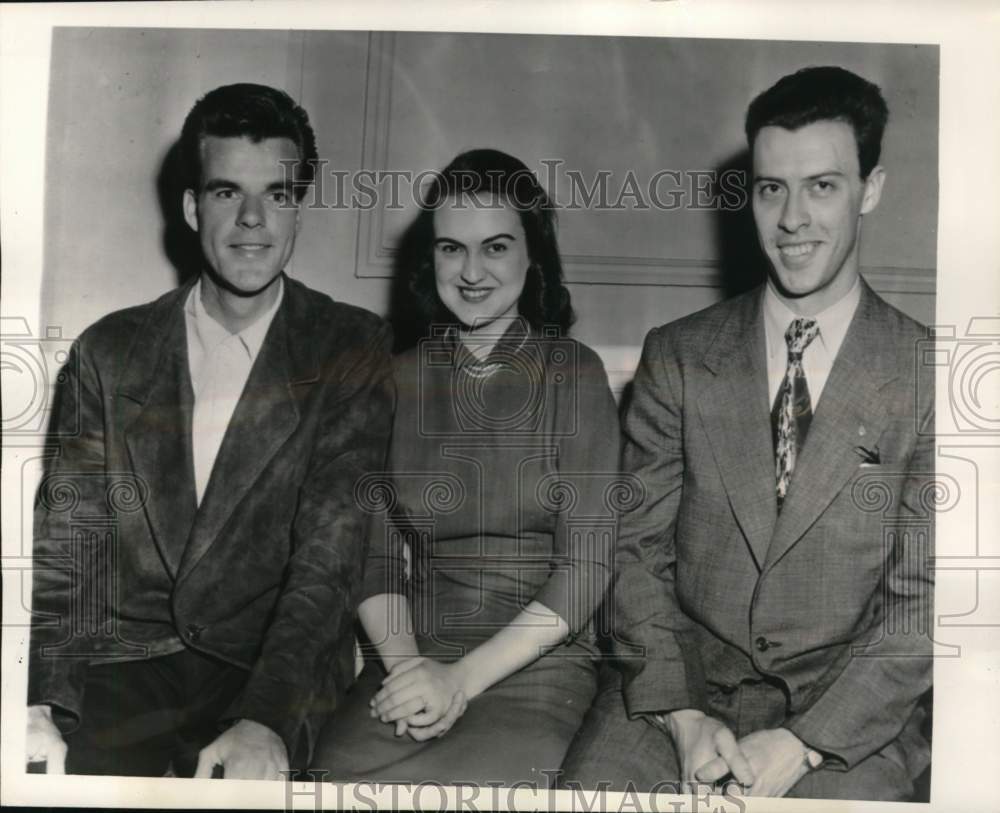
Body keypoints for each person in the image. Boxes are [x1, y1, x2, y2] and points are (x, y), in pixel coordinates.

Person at [561, 66, 934, 801]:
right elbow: (633, 552)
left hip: (846, 720)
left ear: (872, 189)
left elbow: (923, 607)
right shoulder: (677, 353)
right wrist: (682, 714)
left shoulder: (930, 375)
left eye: (822, 185)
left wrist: (804, 744)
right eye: (772, 188)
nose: (792, 217)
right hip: (673, 692)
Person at [24, 83, 395, 779]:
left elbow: (330, 556)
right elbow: (72, 545)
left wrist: (267, 717)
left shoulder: (349, 345)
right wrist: (42, 700)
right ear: (194, 208)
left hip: (262, 673)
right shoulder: (109, 348)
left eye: (278, 195)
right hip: (121, 669)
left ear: (297, 211)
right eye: (227, 193)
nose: (253, 219)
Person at [311, 149, 622, 785]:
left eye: (496, 247)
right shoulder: (393, 380)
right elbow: (370, 559)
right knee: (331, 782)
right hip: (413, 658)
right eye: (452, 248)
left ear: (532, 255)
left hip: (537, 664)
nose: (472, 271)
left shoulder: (575, 372)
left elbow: (587, 568)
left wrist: (461, 680)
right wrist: (410, 672)